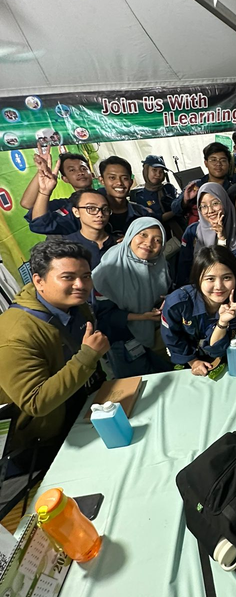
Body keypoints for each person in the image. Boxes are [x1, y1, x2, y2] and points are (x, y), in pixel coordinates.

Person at [0, 240, 109, 455]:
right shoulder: (15, 334)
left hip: (85, 408)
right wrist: (88, 356)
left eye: (86, 276)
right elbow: (35, 402)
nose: (80, 285)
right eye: (68, 277)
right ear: (38, 281)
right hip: (46, 439)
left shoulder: (75, 305)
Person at [93, 219, 172, 379]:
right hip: (122, 339)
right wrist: (141, 317)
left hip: (154, 333)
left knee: (164, 378)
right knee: (135, 385)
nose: (149, 243)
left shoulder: (159, 265)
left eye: (158, 240)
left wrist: (167, 301)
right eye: (143, 235)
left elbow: (166, 291)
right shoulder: (109, 269)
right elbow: (105, 316)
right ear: (130, 235)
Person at [161, 246, 236, 374]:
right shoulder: (177, 303)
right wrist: (193, 362)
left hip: (225, 359)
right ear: (198, 278)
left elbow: (218, 350)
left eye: (226, 278)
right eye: (210, 279)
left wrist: (222, 322)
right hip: (187, 361)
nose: (219, 286)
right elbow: (172, 339)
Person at [176, 183, 236, 286]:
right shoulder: (192, 232)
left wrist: (222, 239)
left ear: (225, 202)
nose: (210, 211)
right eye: (204, 206)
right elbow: (183, 270)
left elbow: (230, 273)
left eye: (215, 203)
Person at [25, 151, 95, 236]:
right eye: (72, 170)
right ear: (65, 179)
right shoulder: (65, 205)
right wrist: (42, 171)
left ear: (92, 174)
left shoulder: (106, 195)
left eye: (84, 168)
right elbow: (28, 204)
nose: (80, 172)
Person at [98, 156, 154, 239]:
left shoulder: (143, 214)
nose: (119, 183)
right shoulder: (95, 215)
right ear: (102, 180)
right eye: (112, 178)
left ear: (131, 182)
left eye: (125, 178)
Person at [62, 189, 117, 269]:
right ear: (76, 212)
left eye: (105, 209)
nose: (100, 214)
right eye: (91, 208)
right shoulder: (66, 246)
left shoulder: (120, 244)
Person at [130, 155, 180, 226]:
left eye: (161, 171)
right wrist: (177, 210)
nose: (158, 174)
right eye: (154, 170)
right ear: (146, 171)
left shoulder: (168, 188)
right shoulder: (140, 196)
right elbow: (154, 219)